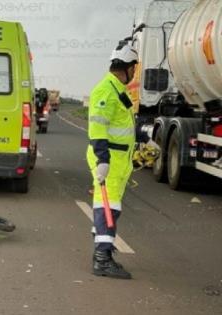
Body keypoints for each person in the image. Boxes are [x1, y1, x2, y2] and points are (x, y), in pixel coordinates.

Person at [87, 41, 152, 279]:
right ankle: (102, 259)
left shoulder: (117, 90)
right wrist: (102, 160)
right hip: (109, 159)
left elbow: (122, 124)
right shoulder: (106, 90)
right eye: (134, 68)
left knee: (109, 207)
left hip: (117, 160)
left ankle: (103, 253)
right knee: (107, 207)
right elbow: (98, 128)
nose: (134, 73)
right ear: (128, 67)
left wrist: (146, 136)